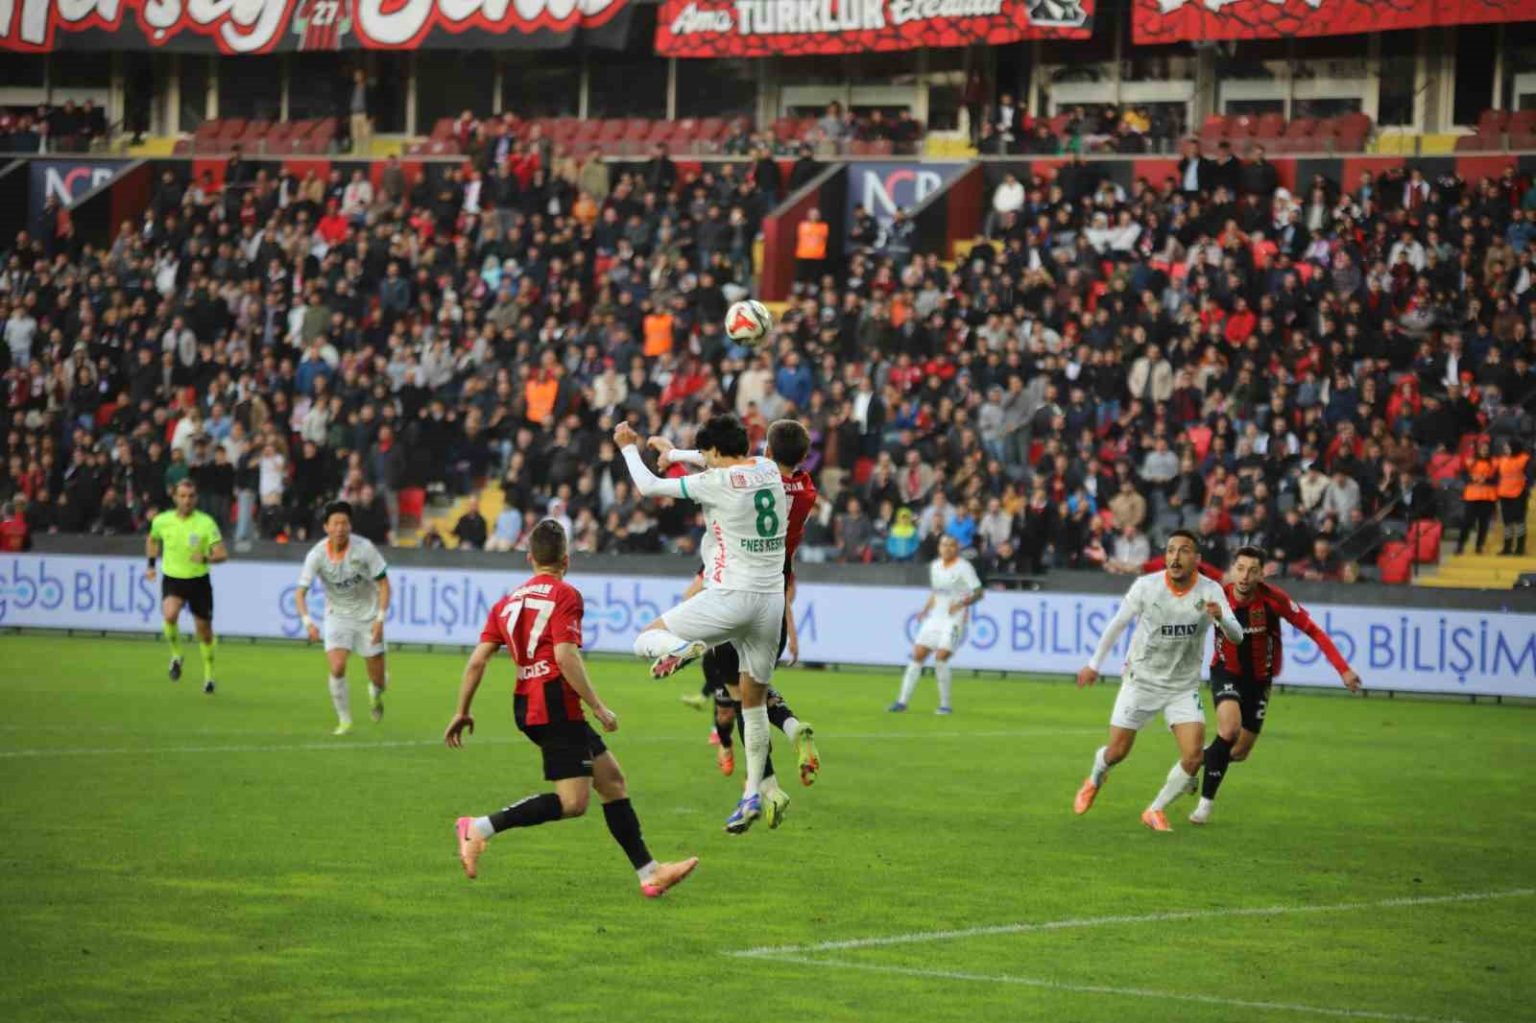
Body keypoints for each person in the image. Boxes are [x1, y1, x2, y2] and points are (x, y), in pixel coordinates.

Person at [445, 520, 698, 897]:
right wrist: (598, 706)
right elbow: (565, 656)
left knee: (611, 780)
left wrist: (461, 710)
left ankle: (650, 873)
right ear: (566, 560)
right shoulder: (565, 595)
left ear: (530, 558)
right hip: (553, 704)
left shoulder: (506, 603)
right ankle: (478, 827)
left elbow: (477, 661)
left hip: (528, 703)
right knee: (573, 802)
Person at [616, 413, 787, 834]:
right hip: (771, 603)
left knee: (646, 638)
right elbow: (716, 458)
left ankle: (682, 649)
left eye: (706, 453)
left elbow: (649, 486)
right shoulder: (768, 468)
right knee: (753, 703)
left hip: (731, 598)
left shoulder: (715, 482)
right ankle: (753, 794)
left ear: (714, 451)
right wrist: (675, 453)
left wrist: (627, 447)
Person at [657, 420, 821, 791]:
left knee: (742, 697)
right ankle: (792, 727)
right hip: (773, 587)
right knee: (756, 688)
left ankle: (764, 786)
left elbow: (718, 474)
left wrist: (675, 455)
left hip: (738, 576)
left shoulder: (749, 482)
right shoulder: (807, 490)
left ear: (766, 451)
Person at [1073, 530, 1243, 831]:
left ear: (1197, 558)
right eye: (1171, 550)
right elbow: (1118, 624)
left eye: (1184, 550)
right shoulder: (1147, 586)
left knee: (1193, 757)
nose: (1175, 557)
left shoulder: (1211, 590)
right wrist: (1093, 664)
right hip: (1141, 681)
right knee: (1117, 752)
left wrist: (1221, 618)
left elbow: (1237, 636)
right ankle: (1096, 776)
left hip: (1182, 686)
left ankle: (1154, 810)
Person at [1192, 546, 1362, 825]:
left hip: (1259, 680)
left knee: (1239, 752)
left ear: (1262, 574)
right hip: (1226, 671)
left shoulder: (1273, 600)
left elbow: (1313, 630)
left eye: (1252, 571)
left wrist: (1343, 669)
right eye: (1240, 569)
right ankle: (1204, 805)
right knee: (1229, 730)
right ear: (1232, 570)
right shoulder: (1216, 595)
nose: (1245, 576)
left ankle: (1196, 760)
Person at [295, 501, 391, 735]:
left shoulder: (364, 548)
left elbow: (384, 584)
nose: (340, 528)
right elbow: (300, 593)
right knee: (337, 666)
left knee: (379, 680)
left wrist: (380, 619)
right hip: (337, 615)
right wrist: (308, 623)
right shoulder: (316, 555)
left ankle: (375, 692)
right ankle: (344, 720)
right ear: (326, 527)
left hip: (368, 616)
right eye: (335, 523)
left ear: (350, 526)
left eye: (344, 523)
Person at [145, 479, 229, 694]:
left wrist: (206, 558)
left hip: (199, 582)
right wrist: (151, 565)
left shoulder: (206, 523)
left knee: (205, 633)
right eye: (182, 496)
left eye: (191, 496)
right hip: (173, 579)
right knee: (169, 614)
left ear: (196, 498)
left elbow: (222, 554)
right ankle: (176, 655)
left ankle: (209, 676)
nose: (187, 500)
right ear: (175, 498)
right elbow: (152, 539)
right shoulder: (162, 521)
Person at [889, 534, 983, 715]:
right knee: (918, 654)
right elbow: (936, 592)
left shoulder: (964, 567)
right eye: (944, 545)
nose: (947, 548)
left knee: (941, 657)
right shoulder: (935, 566)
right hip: (935, 617)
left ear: (957, 548)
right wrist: (925, 610)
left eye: (951, 545)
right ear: (939, 547)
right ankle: (902, 702)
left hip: (954, 619)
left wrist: (961, 604)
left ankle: (945, 705)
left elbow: (979, 592)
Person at [1457, 436, 1498, 554]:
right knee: (1467, 522)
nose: (1484, 451)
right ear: (1478, 450)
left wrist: (1486, 480)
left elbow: (1497, 479)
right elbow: (1463, 475)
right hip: (1472, 496)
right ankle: (1460, 545)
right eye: (1482, 449)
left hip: (1488, 496)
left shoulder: (1495, 462)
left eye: (1486, 449)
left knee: (1483, 523)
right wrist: (1472, 479)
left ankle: (1479, 546)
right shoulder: (1470, 461)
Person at [1495, 440, 1530, 556]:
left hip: (1519, 494)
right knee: (1507, 522)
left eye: (1508, 447)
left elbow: (1530, 476)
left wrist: (1527, 487)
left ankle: (1520, 548)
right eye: (1505, 448)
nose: (1505, 450)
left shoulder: (1524, 459)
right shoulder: (1502, 459)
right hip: (1504, 494)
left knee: (1519, 521)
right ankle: (1507, 547)